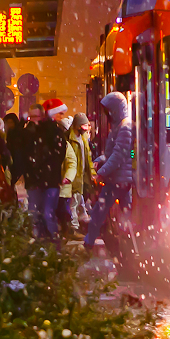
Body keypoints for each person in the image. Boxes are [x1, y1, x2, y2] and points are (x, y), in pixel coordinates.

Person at [85, 92, 134, 251]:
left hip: (118, 180)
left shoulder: (124, 127)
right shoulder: (121, 126)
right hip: (121, 179)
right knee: (125, 213)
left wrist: (102, 172)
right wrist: (101, 160)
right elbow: (116, 153)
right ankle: (130, 245)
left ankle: (89, 243)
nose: (107, 114)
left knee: (99, 212)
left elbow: (118, 155)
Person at [26, 98, 70, 241]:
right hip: (41, 180)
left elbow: (59, 156)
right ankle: (48, 243)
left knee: (44, 213)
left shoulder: (52, 132)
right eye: (59, 113)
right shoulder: (36, 133)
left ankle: (51, 243)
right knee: (40, 214)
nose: (61, 117)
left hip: (47, 180)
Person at [68, 113, 95, 231]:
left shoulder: (83, 138)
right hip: (75, 176)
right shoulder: (70, 139)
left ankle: (79, 223)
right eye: (84, 125)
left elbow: (88, 158)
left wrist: (92, 172)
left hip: (82, 175)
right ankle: (74, 226)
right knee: (74, 201)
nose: (86, 129)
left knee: (78, 200)